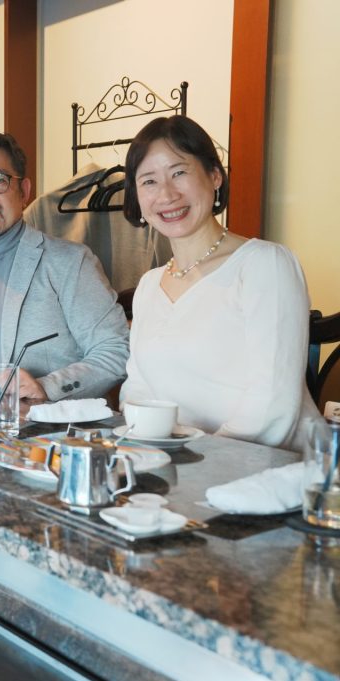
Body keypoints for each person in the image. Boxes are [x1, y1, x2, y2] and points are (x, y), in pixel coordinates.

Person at [120, 115, 319, 449]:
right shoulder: (149, 286)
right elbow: (137, 390)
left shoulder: (264, 265)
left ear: (215, 176)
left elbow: (272, 407)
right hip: (176, 463)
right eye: (149, 181)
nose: (166, 194)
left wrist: (199, 462)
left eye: (179, 173)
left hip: (273, 467)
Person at [0, 131, 129, 399]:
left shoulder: (70, 263)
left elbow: (116, 350)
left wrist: (48, 386)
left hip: (45, 426)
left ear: (24, 192)